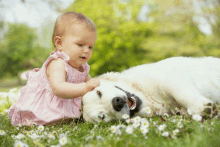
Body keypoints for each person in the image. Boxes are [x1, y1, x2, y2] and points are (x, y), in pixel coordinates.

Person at [8, 12, 100, 126]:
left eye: (90, 47)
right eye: (80, 45)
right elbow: (58, 88)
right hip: (44, 108)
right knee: (40, 120)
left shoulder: (83, 67)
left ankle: (70, 117)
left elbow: (92, 85)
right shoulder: (57, 63)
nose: (86, 50)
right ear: (59, 43)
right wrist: (86, 87)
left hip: (64, 109)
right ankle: (42, 120)